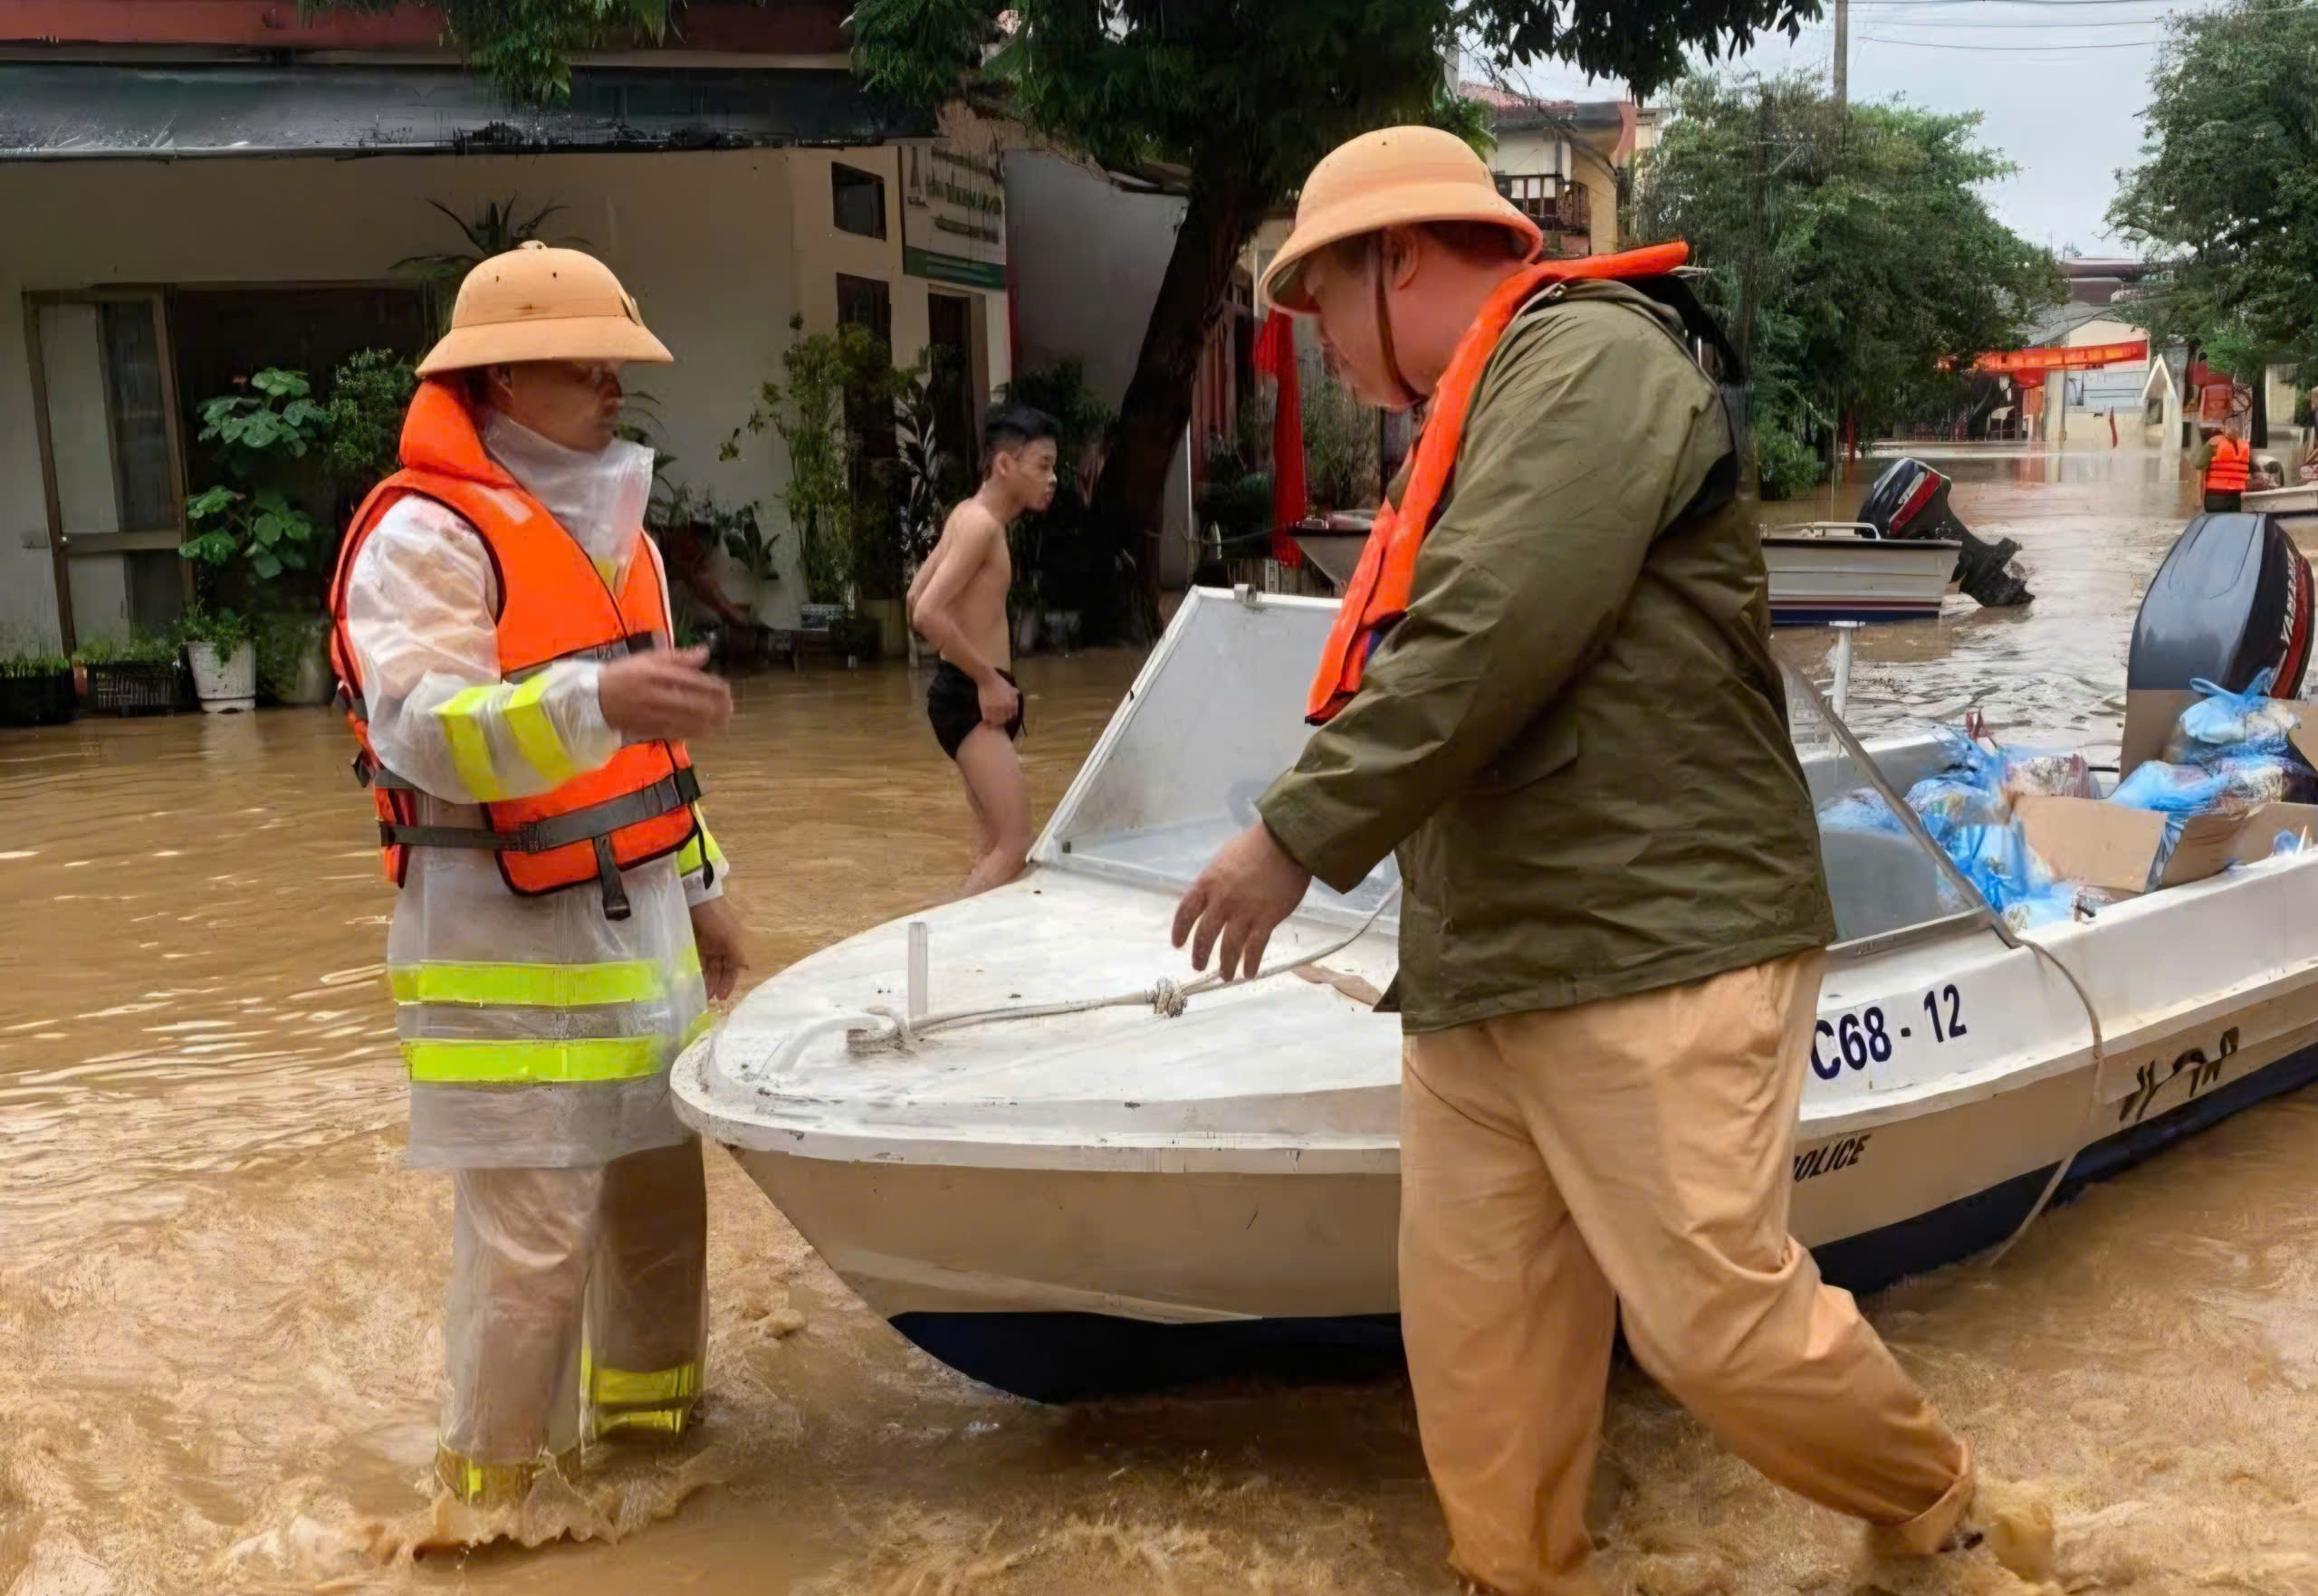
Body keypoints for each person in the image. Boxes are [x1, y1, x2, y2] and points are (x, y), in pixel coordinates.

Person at [1171, 127, 1998, 1594]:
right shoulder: (1480, 400)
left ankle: (1945, 1509)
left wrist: (1293, 834)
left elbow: (1491, 626)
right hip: (1484, 956)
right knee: (1483, 1364)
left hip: (1651, 933)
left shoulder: (1590, 361)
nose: (1318, 347)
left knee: (1709, 1323)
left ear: (1399, 257)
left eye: (1316, 303)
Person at [328, 241, 747, 1508]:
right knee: (531, 1251)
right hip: (506, 958)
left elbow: (657, 754)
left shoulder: (618, 532)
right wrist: (591, 695)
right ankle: (493, 1509)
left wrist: (711, 884)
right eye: (588, 365)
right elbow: (426, 721)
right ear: (503, 380)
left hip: (642, 941)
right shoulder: (424, 533)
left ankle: (655, 1457)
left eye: (618, 365)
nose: (616, 388)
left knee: (662, 1218)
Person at [905, 405, 1059, 897]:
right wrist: (987, 678)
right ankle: (941, 942)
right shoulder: (981, 527)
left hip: (965, 693)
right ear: (1004, 465)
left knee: (992, 845)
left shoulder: (967, 516)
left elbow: (913, 597)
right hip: (972, 697)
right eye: (1042, 465)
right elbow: (926, 612)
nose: (1052, 478)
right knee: (1014, 846)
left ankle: (973, 960)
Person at [2195, 419, 2251, 512]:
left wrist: (2199, 499)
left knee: (2216, 524)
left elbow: (2199, 465)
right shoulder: (2245, 446)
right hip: (2238, 497)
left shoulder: (2214, 442)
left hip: (2216, 496)